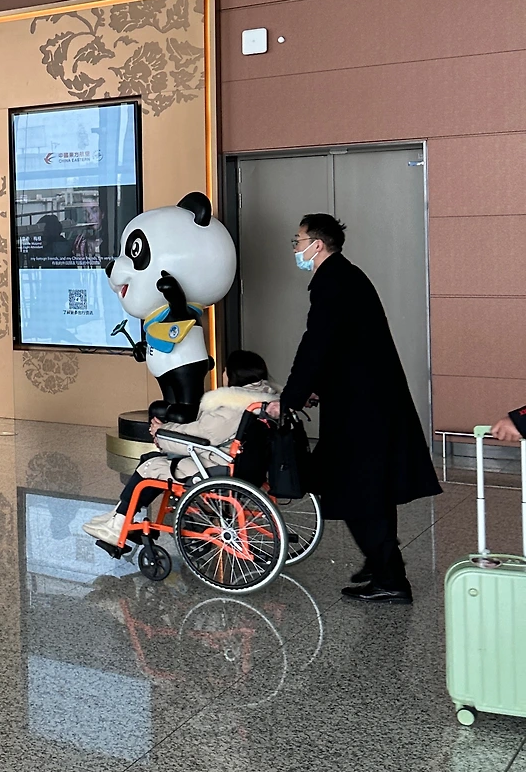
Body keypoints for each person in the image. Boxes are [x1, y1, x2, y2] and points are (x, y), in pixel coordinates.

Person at [268, 213, 439, 604]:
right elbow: (345, 347)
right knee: (369, 488)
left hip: (361, 410)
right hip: (369, 400)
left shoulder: (331, 282)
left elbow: (316, 345)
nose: (295, 248)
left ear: (317, 244)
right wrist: (316, 389)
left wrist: (290, 398)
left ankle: (390, 578)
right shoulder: (348, 276)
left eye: (298, 241)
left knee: (357, 489)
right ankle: (381, 565)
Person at [85, 350, 277, 552]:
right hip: (242, 465)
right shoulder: (266, 401)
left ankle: (119, 523)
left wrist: (161, 432)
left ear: (233, 374)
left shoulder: (234, 407)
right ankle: (118, 514)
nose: (223, 374)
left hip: (220, 466)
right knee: (151, 458)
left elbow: (202, 436)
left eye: (226, 370)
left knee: (150, 466)